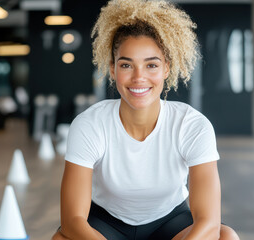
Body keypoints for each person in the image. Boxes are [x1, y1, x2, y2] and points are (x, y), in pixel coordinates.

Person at [52, 0, 240, 239]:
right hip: (106, 222)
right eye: (126, 65)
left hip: (172, 221)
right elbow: (72, 221)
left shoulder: (192, 125)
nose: (139, 77)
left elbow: (209, 223)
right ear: (112, 70)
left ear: (167, 69)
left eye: (151, 64)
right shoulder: (90, 124)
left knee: (226, 237)